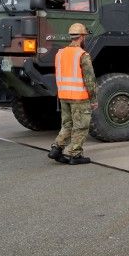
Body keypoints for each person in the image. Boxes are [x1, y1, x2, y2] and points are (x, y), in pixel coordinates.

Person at [48, 23, 97, 164]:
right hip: (79, 97)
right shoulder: (82, 55)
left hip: (64, 96)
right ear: (81, 37)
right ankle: (74, 155)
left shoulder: (60, 53)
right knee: (80, 126)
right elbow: (89, 79)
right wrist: (93, 98)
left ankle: (56, 148)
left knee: (67, 124)